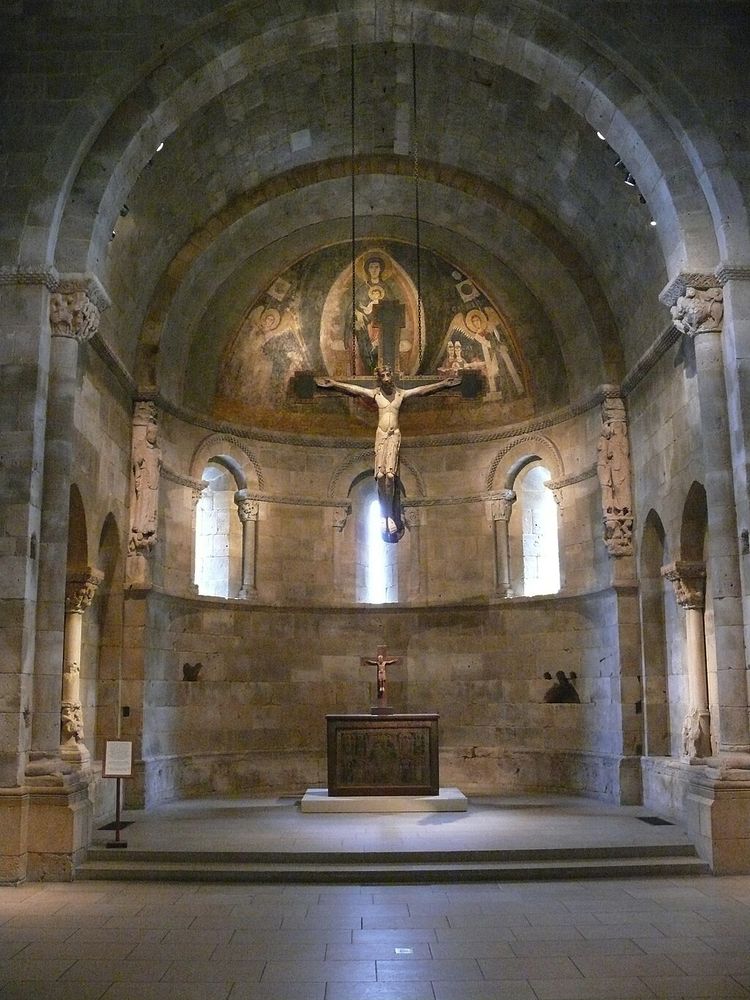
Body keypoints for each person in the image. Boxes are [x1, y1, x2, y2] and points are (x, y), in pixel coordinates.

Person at [316, 365, 461, 538]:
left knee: (390, 476)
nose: (386, 378)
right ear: (380, 378)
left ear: (392, 376)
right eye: (383, 375)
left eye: (388, 374)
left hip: (394, 436)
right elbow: (355, 389)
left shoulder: (400, 394)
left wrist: (443, 384)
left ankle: (390, 513)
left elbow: (421, 390)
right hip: (381, 436)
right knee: (380, 476)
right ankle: (384, 514)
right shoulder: (376, 394)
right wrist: (334, 383)